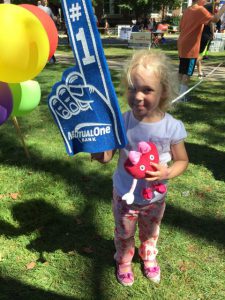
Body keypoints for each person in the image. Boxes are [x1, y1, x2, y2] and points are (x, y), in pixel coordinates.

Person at [91, 50, 189, 286]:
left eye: (147, 90)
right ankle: (124, 261)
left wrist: (167, 172)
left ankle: (148, 258)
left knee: (150, 233)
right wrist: (95, 148)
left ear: (163, 92)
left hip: (155, 198)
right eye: (132, 88)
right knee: (124, 233)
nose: (137, 96)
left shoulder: (172, 127)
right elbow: (106, 157)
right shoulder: (122, 121)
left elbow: (182, 160)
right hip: (125, 196)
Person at [177, 0, 225, 101]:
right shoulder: (200, 10)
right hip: (191, 46)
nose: (206, 1)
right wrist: (223, 7)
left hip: (182, 43)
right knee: (188, 72)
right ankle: (182, 97)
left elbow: (179, 28)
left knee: (181, 70)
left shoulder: (187, 10)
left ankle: (176, 93)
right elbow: (215, 19)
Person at [196, 2, 215, 77]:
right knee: (199, 55)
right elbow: (212, 25)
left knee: (198, 54)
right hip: (206, 36)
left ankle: (199, 72)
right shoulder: (209, 17)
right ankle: (199, 72)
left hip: (200, 36)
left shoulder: (201, 16)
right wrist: (213, 34)